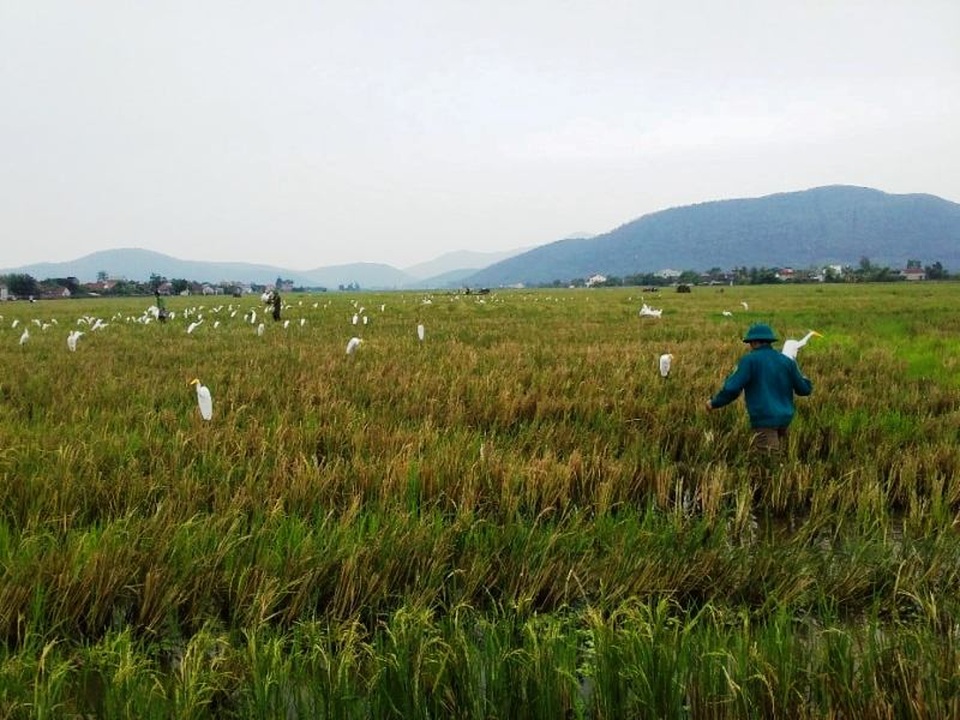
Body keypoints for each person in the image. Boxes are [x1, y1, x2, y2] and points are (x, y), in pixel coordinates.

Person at [706, 323, 812, 453]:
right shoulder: (787, 361)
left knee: (768, 460)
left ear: (755, 342)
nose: (750, 346)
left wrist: (714, 403)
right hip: (785, 420)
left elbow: (732, 389)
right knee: (783, 458)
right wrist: (802, 375)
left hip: (764, 420)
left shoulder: (749, 360)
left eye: (750, 343)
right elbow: (804, 390)